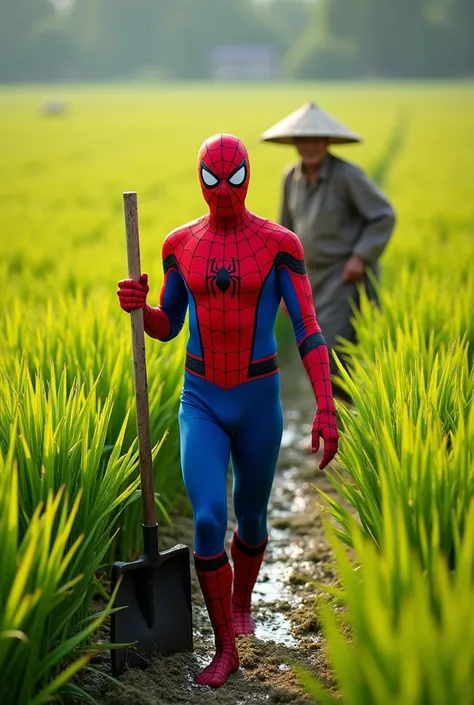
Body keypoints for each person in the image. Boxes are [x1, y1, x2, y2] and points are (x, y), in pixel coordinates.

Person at [117, 134, 339, 688]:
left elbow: (308, 329)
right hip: (202, 401)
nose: (223, 191)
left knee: (254, 516)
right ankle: (225, 649)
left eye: (234, 178)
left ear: (250, 176)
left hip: (260, 400)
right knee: (211, 519)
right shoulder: (179, 246)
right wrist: (140, 307)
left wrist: (325, 405)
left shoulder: (279, 245)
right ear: (198, 179)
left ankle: (241, 602)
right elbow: (167, 328)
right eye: (212, 179)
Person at [261, 101, 396, 409]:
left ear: (327, 142)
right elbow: (285, 234)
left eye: (316, 140)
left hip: (343, 278)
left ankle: (343, 417)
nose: (310, 146)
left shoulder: (347, 176)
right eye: (303, 140)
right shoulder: (290, 178)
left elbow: (383, 216)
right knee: (312, 353)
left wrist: (360, 257)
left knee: (330, 349)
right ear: (294, 142)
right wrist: (281, 287)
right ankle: (332, 418)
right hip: (307, 280)